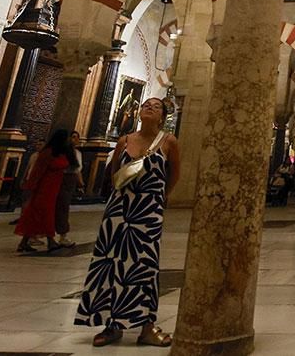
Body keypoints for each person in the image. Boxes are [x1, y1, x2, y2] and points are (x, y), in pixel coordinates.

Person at [76, 97, 181, 347]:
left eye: (156, 106)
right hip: (119, 209)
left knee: (144, 266)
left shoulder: (169, 142)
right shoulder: (124, 141)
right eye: (146, 105)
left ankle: (146, 326)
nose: (149, 108)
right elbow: (115, 174)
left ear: (163, 116)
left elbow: (175, 174)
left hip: (147, 211)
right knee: (110, 262)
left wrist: (160, 196)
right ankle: (111, 324)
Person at [16, 128, 77, 253]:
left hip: (55, 187)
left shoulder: (60, 153)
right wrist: (30, 186)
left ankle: (24, 242)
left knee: (38, 215)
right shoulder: (47, 153)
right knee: (44, 214)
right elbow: (37, 171)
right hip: (44, 188)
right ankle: (50, 241)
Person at [55, 131, 85, 247]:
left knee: (63, 207)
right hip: (62, 180)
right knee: (60, 207)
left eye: (76, 137)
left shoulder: (77, 153)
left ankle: (61, 235)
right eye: (72, 137)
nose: (75, 140)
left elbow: (77, 170)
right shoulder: (62, 153)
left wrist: (80, 183)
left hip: (70, 182)